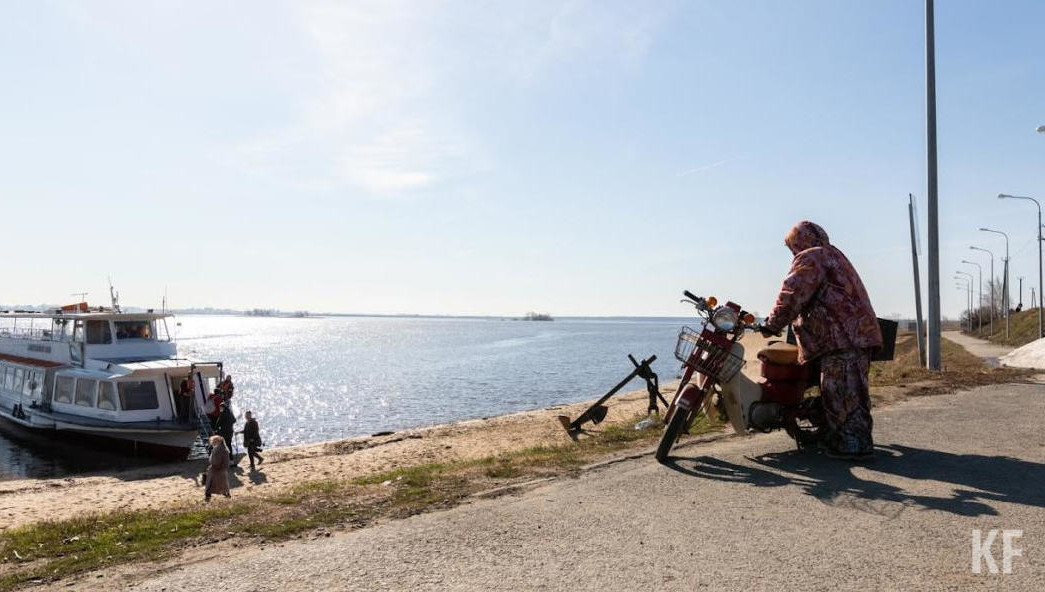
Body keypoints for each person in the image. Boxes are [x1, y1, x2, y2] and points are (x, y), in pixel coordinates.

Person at [761, 220, 882, 461]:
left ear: (800, 241)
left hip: (840, 336)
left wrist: (772, 324)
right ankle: (851, 441)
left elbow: (793, 292)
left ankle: (851, 447)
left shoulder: (812, 257)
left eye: (793, 246)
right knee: (853, 393)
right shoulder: (833, 254)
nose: (793, 252)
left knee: (840, 393)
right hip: (856, 333)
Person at [204, 434, 231, 501]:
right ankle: (227, 495)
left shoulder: (219, 449)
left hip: (216, 469)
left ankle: (208, 498)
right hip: (221, 470)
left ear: (217, 441)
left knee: (210, 485)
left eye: (213, 441)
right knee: (222, 485)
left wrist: (213, 465)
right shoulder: (223, 448)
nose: (212, 442)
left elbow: (216, 461)